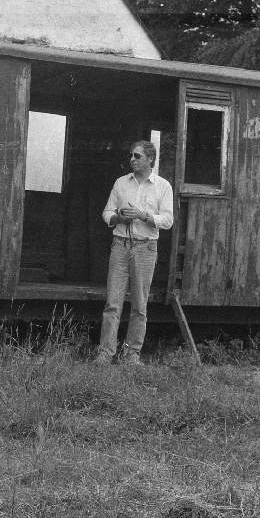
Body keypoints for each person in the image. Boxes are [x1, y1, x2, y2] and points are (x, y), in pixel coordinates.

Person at [96, 140, 174, 365]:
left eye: (137, 156)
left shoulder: (163, 186)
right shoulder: (121, 183)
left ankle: (131, 355)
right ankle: (105, 353)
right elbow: (106, 213)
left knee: (139, 305)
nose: (132, 159)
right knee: (113, 302)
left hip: (145, 247)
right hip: (120, 244)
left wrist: (143, 216)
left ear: (151, 159)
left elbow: (168, 220)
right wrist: (119, 217)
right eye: (131, 155)